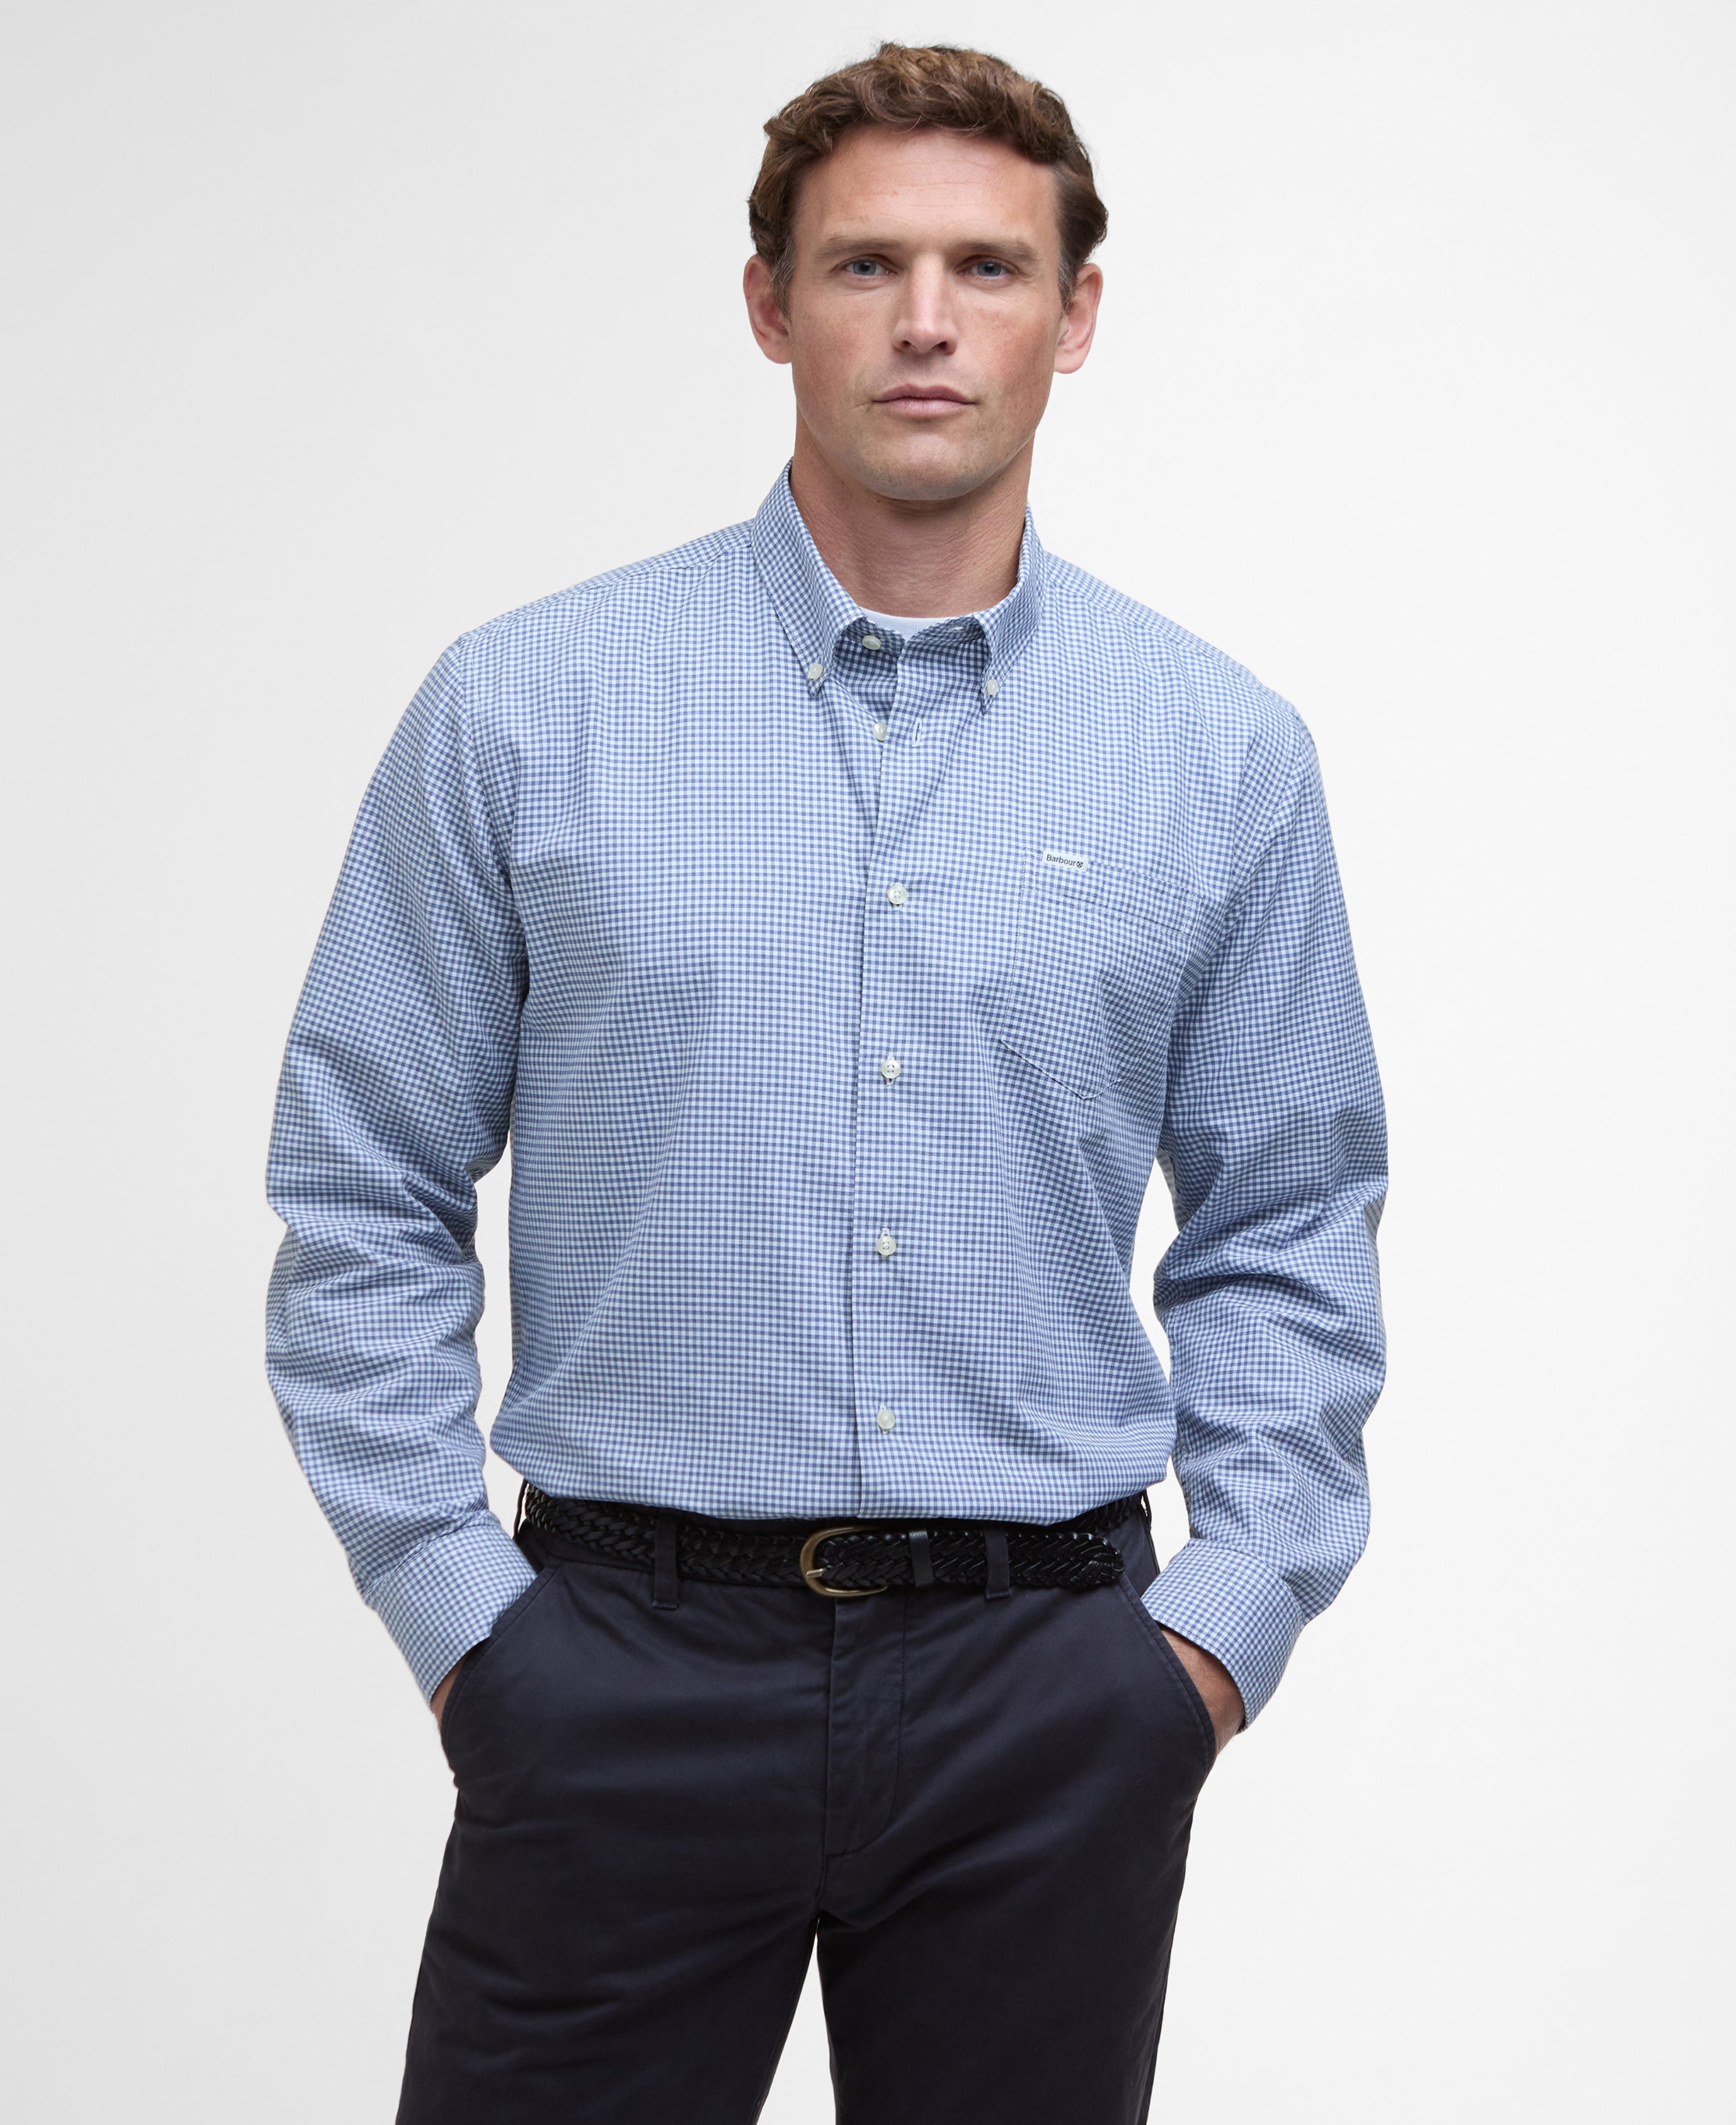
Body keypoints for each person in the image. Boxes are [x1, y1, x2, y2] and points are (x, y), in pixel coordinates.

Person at [265, 40, 1386, 2125]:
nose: (928, 321)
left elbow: (1291, 1214)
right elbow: (361, 1180)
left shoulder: (1214, 750)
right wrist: (465, 1620)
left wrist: (1209, 1641)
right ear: (771, 307)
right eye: (867, 265)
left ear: (1076, 313)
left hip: (1049, 1687)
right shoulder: (525, 709)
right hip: (614, 1664)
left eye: (988, 266)